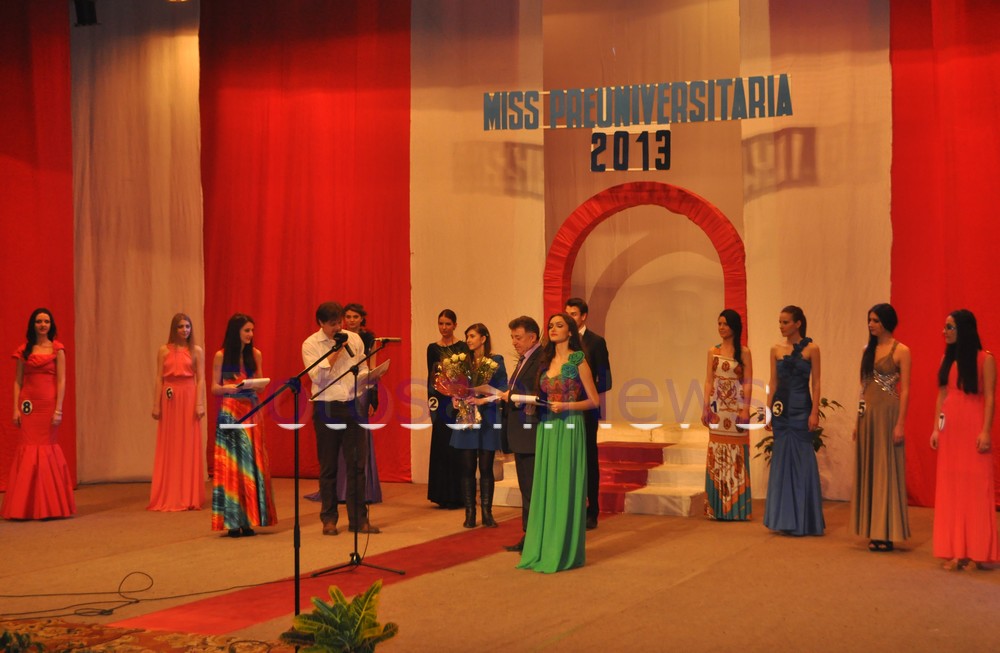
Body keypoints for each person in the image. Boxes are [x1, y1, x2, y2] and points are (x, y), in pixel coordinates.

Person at [517, 312, 599, 574]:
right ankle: (542, 546)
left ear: (570, 331)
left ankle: (563, 550)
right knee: (546, 486)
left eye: (559, 325)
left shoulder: (578, 360)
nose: (553, 329)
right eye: (551, 325)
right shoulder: (545, 359)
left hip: (570, 426)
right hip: (547, 427)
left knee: (564, 484)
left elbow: (594, 401)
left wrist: (566, 406)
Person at [303, 302, 379, 535]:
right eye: (332, 324)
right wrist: (336, 351)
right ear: (321, 323)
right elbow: (317, 377)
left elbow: (362, 366)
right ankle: (329, 518)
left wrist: (370, 376)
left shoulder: (353, 339)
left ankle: (359, 519)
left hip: (353, 405)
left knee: (357, 465)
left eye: (339, 322)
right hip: (326, 407)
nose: (338, 327)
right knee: (328, 466)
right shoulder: (311, 344)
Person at [929, 309, 997, 570]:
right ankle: (957, 550)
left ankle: (978, 549)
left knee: (976, 489)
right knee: (953, 488)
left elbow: (990, 397)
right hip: (950, 428)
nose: (944, 332)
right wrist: (936, 429)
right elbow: (942, 395)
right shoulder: (946, 359)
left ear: (964, 329)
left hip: (973, 425)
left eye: (950, 327)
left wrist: (986, 431)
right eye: (945, 327)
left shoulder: (985, 359)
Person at [2, 308, 75, 520]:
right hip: (29, 406)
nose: (43, 325)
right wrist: (15, 408)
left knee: (46, 447)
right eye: (39, 321)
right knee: (27, 447)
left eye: (46, 321)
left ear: (51, 325)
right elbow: (18, 381)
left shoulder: (58, 349)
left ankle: (49, 505)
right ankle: (25, 506)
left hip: (48, 405)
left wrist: (58, 409)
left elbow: (62, 380)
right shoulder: (24, 350)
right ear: (32, 325)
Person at [850, 304, 911, 551]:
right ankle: (873, 530)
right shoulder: (867, 350)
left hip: (888, 415)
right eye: (869, 320)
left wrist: (900, 423)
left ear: (886, 321)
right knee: (871, 469)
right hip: (868, 416)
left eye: (875, 320)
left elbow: (905, 390)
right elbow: (863, 388)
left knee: (886, 470)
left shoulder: (902, 350)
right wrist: (857, 421)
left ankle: (886, 532)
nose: (871, 324)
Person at [211, 313, 277, 537]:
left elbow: (261, 384)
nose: (250, 334)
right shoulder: (221, 355)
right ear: (236, 331)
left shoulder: (255, 354)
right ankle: (232, 521)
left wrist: (256, 384)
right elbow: (214, 387)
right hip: (230, 410)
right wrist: (230, 388)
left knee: (250, 462)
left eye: (252, 330)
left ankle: (250, 519)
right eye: (247, 330)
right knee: (232, 463)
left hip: (251, 409)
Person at [763, 305, 824, 536]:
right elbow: (773, 382)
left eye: (785, 322)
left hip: (801, 409)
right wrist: (768, 411)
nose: (781, 326)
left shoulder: (812, 349)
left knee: (802, 459)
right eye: (780, 322)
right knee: (781, 460)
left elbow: (816, 383)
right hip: (781, 410)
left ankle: (804, 519)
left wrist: (814, 412)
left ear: (798, 323)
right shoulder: (775, 349)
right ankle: (783, 518)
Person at [149, 313, 207, 511]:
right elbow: (159, 378)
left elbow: (201, 379)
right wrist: (156, 404)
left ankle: (188, 494)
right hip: (169, 399)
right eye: (181, 327)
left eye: (187, 326)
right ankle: (170, 491)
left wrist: (199, 404)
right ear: (174, 329)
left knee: (188, 442)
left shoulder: (196, 351)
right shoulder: (164, 351)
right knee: (170, 443)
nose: (185, 330)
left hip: (189, 397)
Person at [452, 323, 507, 528]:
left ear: (483, 338)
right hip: (467, 416)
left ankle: (487, 512)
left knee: (486, 467)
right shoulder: (462, 362)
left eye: (472, 336)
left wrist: (482, 400)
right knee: (467, 467)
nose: (468, 340)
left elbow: (502, 391)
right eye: (467, 336)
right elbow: (455, 388)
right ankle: (470, 512)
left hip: (488, 416)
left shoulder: (496, 361)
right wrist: (455, 398)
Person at [701, 309, 753, 520]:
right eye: (719, 323)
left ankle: (737, 509)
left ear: (734, 326)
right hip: (717, 409)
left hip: (736, 409)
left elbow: (747, 382)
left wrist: (746, 408)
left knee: (736, 455)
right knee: (717, 452)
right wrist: (705, 406)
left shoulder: (744, 352)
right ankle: (716, 508)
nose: (721, 327)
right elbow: (708, 380)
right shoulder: (712, 351)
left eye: (725, 324)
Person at [564, 297, 612, 530]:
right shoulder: (561, 342)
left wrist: (583, 392)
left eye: (573, 314)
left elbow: (606, 380)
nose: (569, 318)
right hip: (562, 412)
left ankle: (592, 511)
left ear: (583, 316)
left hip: (586, 411)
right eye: (567, 314)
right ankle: (569, 509)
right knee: (567, 460)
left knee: (588, 460)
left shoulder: (596, 342)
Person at [500, 316, 543, 552]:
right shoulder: (525, 358)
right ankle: (529, 534)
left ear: (532, 337)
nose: (514, 342)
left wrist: (513, 396)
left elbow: (539, 393)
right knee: (526, 487)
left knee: (532, 487)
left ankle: (534, 536)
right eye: (512, 337)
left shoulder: (541, 359)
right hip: (520, 432)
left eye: (518, 337)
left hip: (531, 431)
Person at [426, 309, 468, 509]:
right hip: (441, 402)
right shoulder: (432, 348)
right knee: (441, 445)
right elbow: (431, 377)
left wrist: (459, 395)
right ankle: (441, 494)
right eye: (441, 323)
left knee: (456, 447)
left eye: (448, 324)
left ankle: (459, 495)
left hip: (457, 401)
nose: (444, 327)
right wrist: (432, 404)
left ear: (455, 325)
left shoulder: (462, 347)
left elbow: (466, 376)